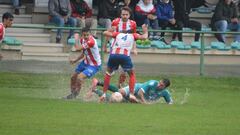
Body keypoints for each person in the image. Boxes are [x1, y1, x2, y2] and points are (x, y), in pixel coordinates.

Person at [100, 24, 148, 102]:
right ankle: (131, 94)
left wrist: (111, 29)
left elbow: (104, 33)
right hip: (124, 56)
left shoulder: (118, 34)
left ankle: (104, 94)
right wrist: (145, 30)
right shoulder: (133, 35)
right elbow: (144, 37)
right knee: (131, 74)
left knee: (108, 73)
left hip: (113, 55)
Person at [104, 6, 137, 88]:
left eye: (126, 14)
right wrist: (105, 46)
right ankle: (106, 84)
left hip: (126, 48)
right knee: (110, 70)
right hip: (115, 46)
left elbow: (134, 36)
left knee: (124, 72)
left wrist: (134, 48)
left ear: (129, 15)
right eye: (123, 14)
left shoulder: (133, 24)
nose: (124, 16)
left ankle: (120, 85)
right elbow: (109, 33)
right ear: (120, 15)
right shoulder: (115, 22)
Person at [63, 27, 101, 99]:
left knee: (80, 77)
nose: (86, 37)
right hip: (85, 62)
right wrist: (75, 60)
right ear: (82, 35)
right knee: (73, 77)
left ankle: (76, 94)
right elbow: (84, 53)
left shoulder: (91, 41)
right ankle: (72, 94)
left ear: (90, 34)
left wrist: (76, 38)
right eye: (84, 35)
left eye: (87, 35)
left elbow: (77, 48)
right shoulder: (82, 40)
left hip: (94, 65)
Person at [88, 78, 173, 104]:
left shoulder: (165, 93)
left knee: (117, 100)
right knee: (120, 92)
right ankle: (98, 82)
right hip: (136, 89)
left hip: (138, 99)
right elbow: (140, 92)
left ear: (165, 87)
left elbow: (170, 103)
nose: (159, 85)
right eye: (159, 83)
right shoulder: (152, 83)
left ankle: (95, 90)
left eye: (161, 85)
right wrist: (144, 103)